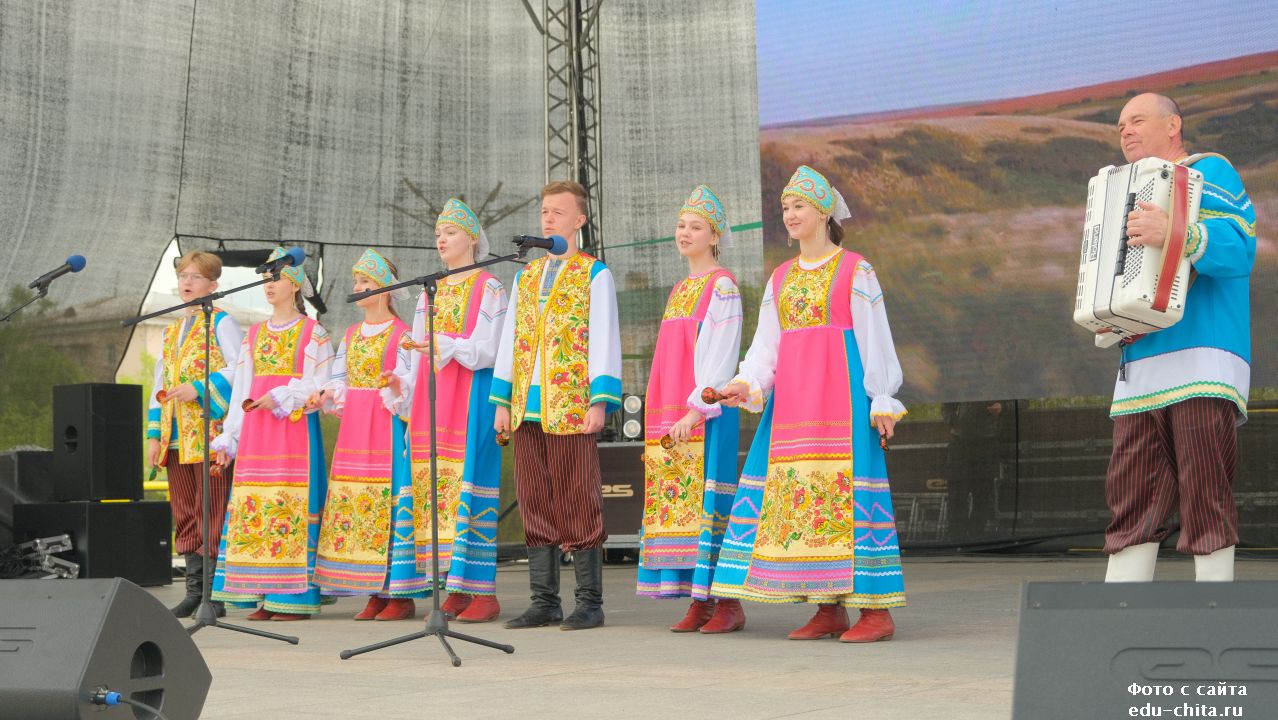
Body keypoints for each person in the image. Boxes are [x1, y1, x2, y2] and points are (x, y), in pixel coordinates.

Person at [708, 165, 907, 642]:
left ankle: (876, 612)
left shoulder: (855, 269)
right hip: (793, 407)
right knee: (804, 501)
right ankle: (827, 608)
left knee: (850, 496)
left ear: (823, 212)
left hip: (842, 401)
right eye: (785, 207)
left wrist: (882, 396)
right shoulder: (781, 277)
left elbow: (875, 339)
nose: (790, 214)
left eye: (799, 206)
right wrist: (746, 382)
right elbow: (767, 347)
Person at [1102, 93, 1256, 583]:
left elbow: (1241, 249)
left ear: (1173, 125)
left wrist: (1175, 232)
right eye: (1120, 125)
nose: (1125, 131)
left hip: (1202, 358)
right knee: (1131, 496)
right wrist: (1108, 314)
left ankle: (1215, 608)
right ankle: (1120, 609)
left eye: (1136, 120)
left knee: (1204, 486)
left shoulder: (1209, 170)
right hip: (1139, 365)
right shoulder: (1118, 191)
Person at [491, 181, 622, 631]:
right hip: (525, 407)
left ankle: (590, 601)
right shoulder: (526, 276)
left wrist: (600, 402)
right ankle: (544, 600)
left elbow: (604, 338)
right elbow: (509, 339)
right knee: (534, 498)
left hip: (570, 404)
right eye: (545, 211)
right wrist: (502, 401)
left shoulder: (594, 274)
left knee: (577, 496)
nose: (548, 219)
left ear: (579, 220)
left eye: (558, 212)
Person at [387, 199, 508, 623]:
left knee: (469, 481)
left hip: (471, 396)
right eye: (438, 233)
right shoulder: (430, 290)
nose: (441, 239)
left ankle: (483, 592)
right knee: (433, 489)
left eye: (451, 232)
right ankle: (454, 586)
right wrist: (405, 397)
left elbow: (491, 349)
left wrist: (447, 345)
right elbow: (416, 352)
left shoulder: (489, 287)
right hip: (432, 399)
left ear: (472, 239)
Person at [635, 185, 743, 632]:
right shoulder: (681, 288)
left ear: (714, 236)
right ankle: (698, 599)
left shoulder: (723, 286)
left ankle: (727, 603)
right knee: (680, 503)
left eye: (696, 227)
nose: (685, 233)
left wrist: (696, 409)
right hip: (670, 411)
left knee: (709, 498)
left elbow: (721, 354)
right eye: (681, 225)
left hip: (706, 411)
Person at [210, 247, 333, 620]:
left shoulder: (313, 332)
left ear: (294, 284)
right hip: (257, 435)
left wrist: (282, 395)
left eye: (276, 278)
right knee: (257, 506)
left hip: (293, 432)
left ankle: (293, 598)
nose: (269, 285)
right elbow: (241, 391)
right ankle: (262, 593)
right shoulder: (254, 334)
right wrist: (229, 437)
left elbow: (320, 384)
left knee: (289, 504)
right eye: (265, 279)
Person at [312, 248, 428, 620]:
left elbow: (411, 383)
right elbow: (340, 378)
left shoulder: (403, 334)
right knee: (358, 502)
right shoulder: (351, 334)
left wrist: (395, 385)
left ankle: (399, 593)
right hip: (355, 429)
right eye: (357, 281)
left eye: (366, 281)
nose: (358, 286)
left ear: (384, 289)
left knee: (389, 502)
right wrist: (329, 392)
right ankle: (373, 590)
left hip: (387, 425)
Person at [146, 250, 243, 618]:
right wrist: (153, 435)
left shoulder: (222, 323)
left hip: (209, 434)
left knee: (212, 510)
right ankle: (193, 590)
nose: (187, 282)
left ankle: (213, 595)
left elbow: (240, 369)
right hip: (175, 435)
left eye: (196, 276)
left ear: (213, 285)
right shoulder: (171, 331)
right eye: (183, 275)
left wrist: (200, 387)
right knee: (185, 510)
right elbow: (160, 383)